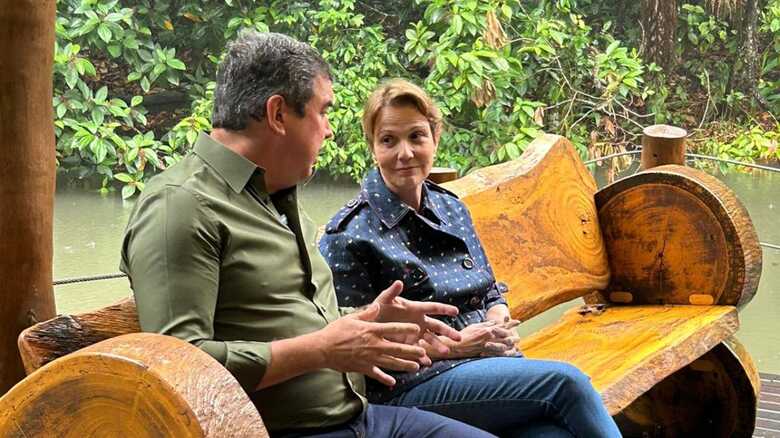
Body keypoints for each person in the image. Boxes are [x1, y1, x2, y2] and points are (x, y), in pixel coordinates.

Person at [120, 32, 498, 438]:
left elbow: (296, 323)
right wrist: (321, 350)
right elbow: (178, 368)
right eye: (323, 111)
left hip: (360, 417)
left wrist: (370, 321)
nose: (330, 130)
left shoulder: (274, 193)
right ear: (278, 114)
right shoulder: (180, 206)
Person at [319, 79, 622, 438]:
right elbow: (358, 349)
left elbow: (490, 290)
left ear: (435, 138)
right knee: (566, 382)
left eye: (416, 136)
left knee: (552, 434)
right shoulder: (350, 234)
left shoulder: (450, 206)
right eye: (389, 140)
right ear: (372, 148)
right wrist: (456, 346)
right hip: (413, 386)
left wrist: (498, 320)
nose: (405, 153)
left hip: (488, 361)